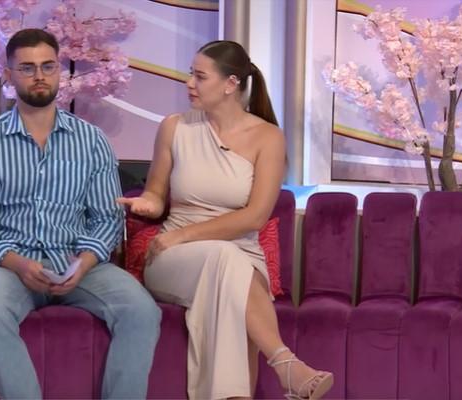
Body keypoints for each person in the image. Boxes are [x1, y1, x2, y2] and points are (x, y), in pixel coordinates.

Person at [118, 40, 334, 400]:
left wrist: (184, 235)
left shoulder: (267, 137)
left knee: (229, 273)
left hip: (238, 252)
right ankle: (286, 365)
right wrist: (146, 205)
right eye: (191, 74)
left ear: (231, 83)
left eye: (200, 77)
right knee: (224, 260)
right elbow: (156, 194)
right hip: (174, 258)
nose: (189, 83)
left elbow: (255, 216)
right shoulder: (174, 127)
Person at [0, 28, 161, 399]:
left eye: (48, 66)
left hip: (80, 265)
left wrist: (84, 262)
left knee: (142, 310)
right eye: (27, 68)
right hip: (11, 267)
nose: (39, 76)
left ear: (59, 71)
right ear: (9, 75)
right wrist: (18, 264)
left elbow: (107, 218)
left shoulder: (92, 141)